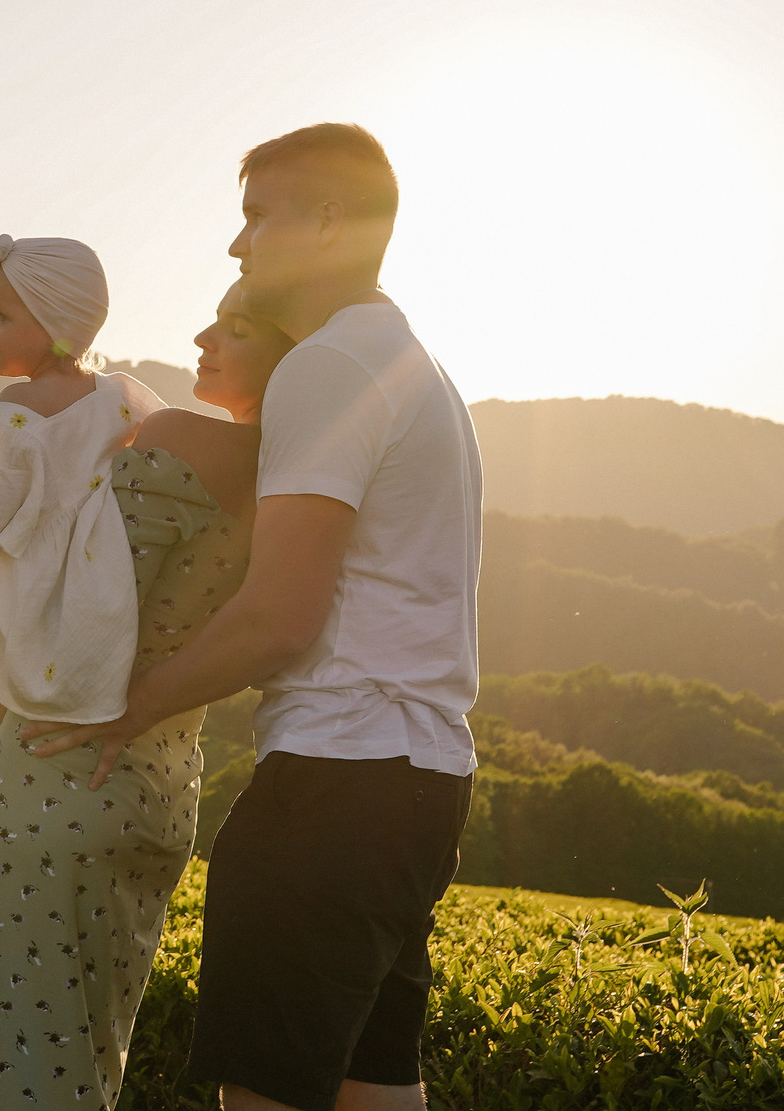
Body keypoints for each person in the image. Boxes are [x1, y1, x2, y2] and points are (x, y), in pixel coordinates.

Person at [24, 123, 482, 1111]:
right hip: (422, 781)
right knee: (377, 1091)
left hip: (336, 781)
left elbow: (279, 613)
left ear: (326, 220)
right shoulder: (413, 364)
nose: (237, 246)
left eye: (255, 217)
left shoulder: (330, 365)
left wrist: (126, 705)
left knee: (266, 1097)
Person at [0, 267, 298, 1111]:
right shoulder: (296, 491)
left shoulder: (173, 443)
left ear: (293, 358)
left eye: (236, 327)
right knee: (77, 1059)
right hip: (159, 792)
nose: (203, 338)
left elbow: (61, 636)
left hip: (55, 779)